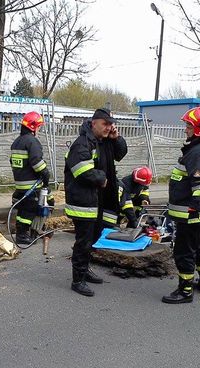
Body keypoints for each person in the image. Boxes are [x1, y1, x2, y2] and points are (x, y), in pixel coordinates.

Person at [64, 108, 127, 297]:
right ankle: (78, 280)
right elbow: (81, 171)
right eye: (105, 124)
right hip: (84, 201)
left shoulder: (104, 140)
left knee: (95, 236)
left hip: (99, 199)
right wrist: (102, 178)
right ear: (94, 123)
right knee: (83, 241)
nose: (109, 127)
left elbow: (120, 154)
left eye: (111, 124)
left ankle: (85, 270)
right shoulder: (82, 143)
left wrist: (117, 138)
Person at [162, 107, 200, 304]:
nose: (185, 129)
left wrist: (194, 210)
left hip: (191, 212)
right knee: (199, 246)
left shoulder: (199, 151)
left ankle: (185, 290)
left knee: (184, 250)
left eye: (188, 126)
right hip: (197, 212)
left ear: (199, 129)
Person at [9, 111, 50, 245]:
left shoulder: (17, 142)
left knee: (27, 207)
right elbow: (36, 161)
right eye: (38, 126)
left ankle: (35, 229)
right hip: (31, 184)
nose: (39, 129)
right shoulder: (32, 142)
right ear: (33, 126)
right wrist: (45, 173)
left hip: (20, 183)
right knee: (30, 209)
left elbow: (12, 161)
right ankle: (23, 234)